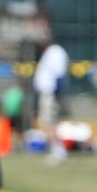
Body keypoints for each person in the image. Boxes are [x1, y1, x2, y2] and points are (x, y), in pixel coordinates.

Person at [33, 36, 69, 165]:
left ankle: (57, 151)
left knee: (49, 122)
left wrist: (56, 93)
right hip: (48, 93)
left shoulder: (55, 52)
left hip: (50, 92)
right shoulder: (51, 52)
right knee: (48, 122)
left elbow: (59, 73)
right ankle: (57, 149)